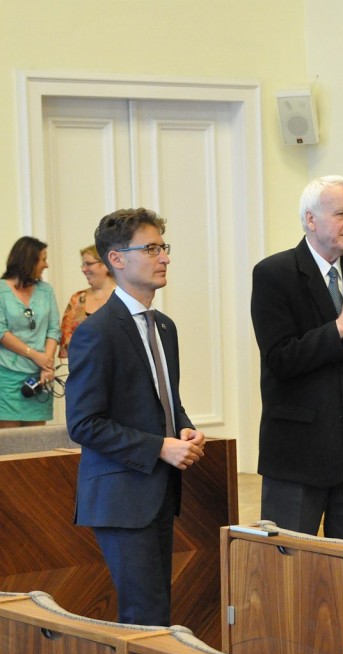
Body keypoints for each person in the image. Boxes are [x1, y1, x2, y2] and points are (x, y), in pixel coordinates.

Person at [67, 207, 205, 626]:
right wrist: (160, 447)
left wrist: (185, 428)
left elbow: (165, 400)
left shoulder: (164, 326)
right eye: (151, 249)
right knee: (144, 618)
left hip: (159, 490)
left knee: (156, 614)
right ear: (117, 259)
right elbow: (83, 423)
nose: (164, 258)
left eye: (163, 247)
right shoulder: (96, 331)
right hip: (121, 496)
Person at [251, 175, 343, 542]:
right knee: (289, 566)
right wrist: (341, 325)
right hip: (298, 456)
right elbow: (281, 359)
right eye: (340, 214)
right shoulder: (274, 275)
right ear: (310, 220)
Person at [0, 236, 60, 427]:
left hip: (40, 377)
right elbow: (1, 332)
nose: (46, 265)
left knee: (36, 441)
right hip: (7, 377)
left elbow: (53, 330)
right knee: (10, 442)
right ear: (28, 260)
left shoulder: (46, 291)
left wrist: (46, 364)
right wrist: (35, 355)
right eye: (43, 259)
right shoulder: (1, 291)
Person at [59, 244, 116, 359]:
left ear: (106, 264)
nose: (83, 270)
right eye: (83, 265)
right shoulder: (77, 300)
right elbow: (66, 344)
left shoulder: (125, 297)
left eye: (88, 264)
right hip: (84, 367)